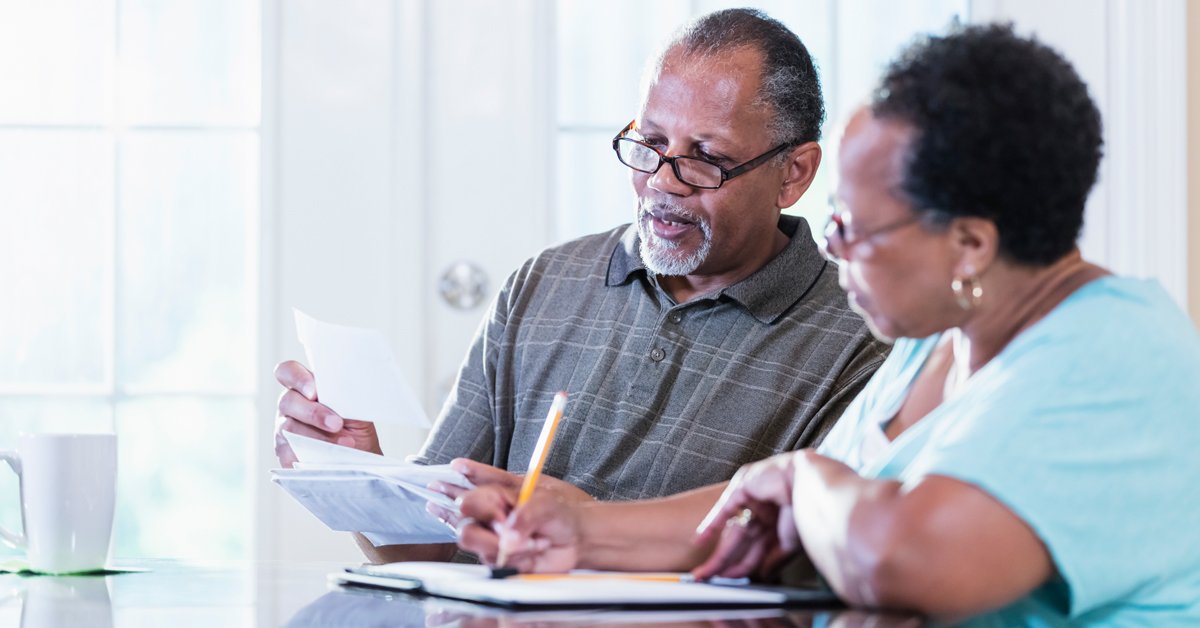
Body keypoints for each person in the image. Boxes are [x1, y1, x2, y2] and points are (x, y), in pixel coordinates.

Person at [455, 24, 1200, 624]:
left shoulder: (1121, 360)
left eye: (853, 226)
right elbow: (767, 522)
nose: (831, 247)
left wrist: (803, 473)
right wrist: (577, 531)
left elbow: (901, 559)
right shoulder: (937, 340)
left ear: (971, 244)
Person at [273, 8, 889, 564]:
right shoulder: (544, 285)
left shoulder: (862, 338)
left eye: (706, 157)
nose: (663, 182)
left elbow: (818, 567)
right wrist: (357, 471)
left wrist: (587, 527)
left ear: (795, 173)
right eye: (650, 144)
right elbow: (430, 545)